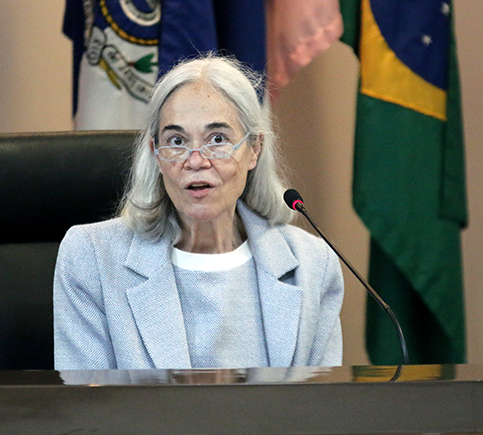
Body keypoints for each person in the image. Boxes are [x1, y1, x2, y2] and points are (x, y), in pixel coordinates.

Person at [53, 55, 343, 370]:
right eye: (176, 141)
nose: (195, 161)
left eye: (217, 139)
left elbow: (319, 409)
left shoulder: (312, 265)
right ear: (156, 154)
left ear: (254, 149)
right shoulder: (92, 258)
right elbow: (91, 410)